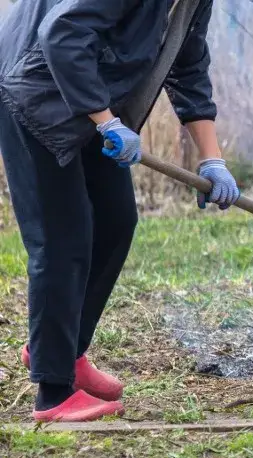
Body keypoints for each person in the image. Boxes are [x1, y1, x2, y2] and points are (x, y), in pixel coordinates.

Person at [0, 0, 239, 422]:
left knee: (116, 222)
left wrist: (211, 157)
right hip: (30, 87)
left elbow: (188, 63)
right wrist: (108, 122)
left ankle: (63, 351)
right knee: (63, 239)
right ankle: (53, 394)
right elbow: (60, 34)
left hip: (87, 93)